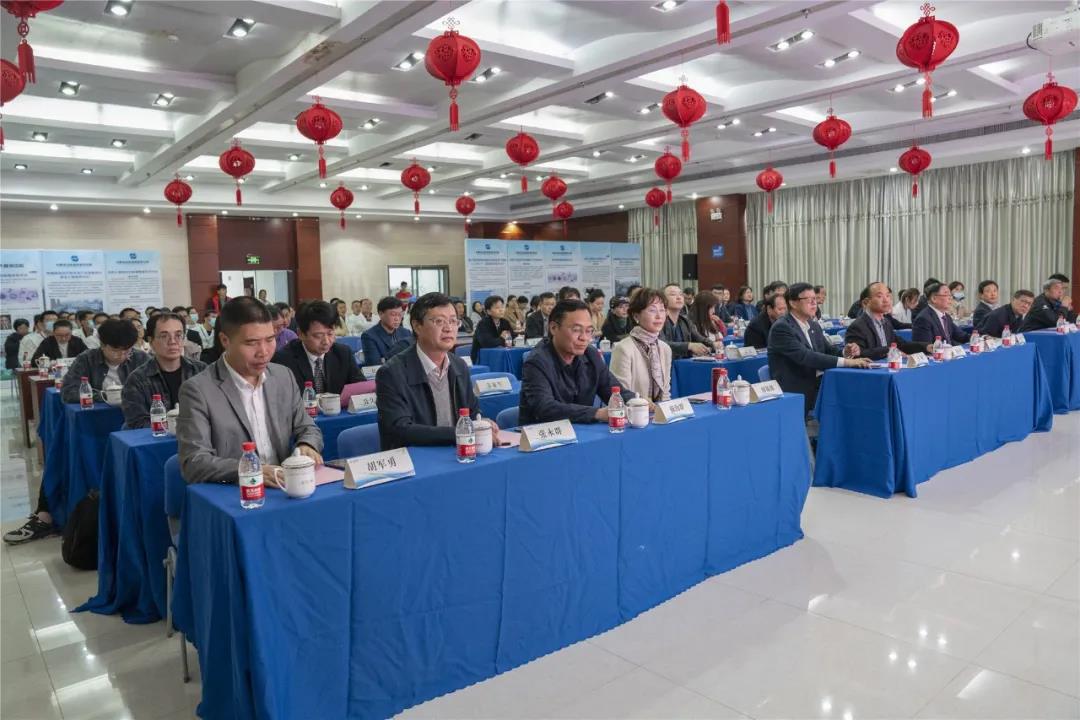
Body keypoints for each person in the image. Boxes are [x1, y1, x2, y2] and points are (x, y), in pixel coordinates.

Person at [177, 298, 323, 485]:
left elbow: (308, 427)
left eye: (270, 339)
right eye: (252, 343)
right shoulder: (198, 390)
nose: (264, 352)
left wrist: (307, 444)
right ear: (225, 340)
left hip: (285, 485)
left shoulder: (282, 376)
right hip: (236, 492)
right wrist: (252, 470)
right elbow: (194, 462)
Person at [376, 293, 497, 450]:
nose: (448, 328)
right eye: (439, 321)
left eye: (453, 321)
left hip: (458, 453)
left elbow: (472, 413)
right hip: (417, 459)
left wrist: (481, 424)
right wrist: (462, 432)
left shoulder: (459, 365)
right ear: (417, 326)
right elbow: (401, 430)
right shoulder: (392, 373)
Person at [519, 299, 634, 425]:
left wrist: (637, 403)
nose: (584, 338)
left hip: (582, 431)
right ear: (553, 328)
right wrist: (597, 413)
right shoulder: (536, 362)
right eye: (576, 330)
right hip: (545, 433)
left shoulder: (591, 355)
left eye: (589, 331)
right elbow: (545, 408)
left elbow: (615, 391)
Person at [767, 283, 870, 416]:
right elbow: (807, 357)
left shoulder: (813, 325)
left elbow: (828, 350)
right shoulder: (782, 328)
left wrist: (846, 352)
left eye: (815, 299)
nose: (814, 303)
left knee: (858, 395)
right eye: (809, 300)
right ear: (793, 303)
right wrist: (848, 362)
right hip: (797, 390)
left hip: (819, 385)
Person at [120, 313, 206, 429]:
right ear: (151, 341)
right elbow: (137, 423)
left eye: (178, 335)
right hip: (157, 439)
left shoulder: (201, 371)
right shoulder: (137, 380)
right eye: (164, 336)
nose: (172, 341)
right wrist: (173, 427)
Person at [272, 300, 362, 395]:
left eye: (330, 334)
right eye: (318, 336)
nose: (326, 341)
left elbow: (361, 388)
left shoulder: (343, 353)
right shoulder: (283, 360)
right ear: (301, 334)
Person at [60, 319, 149, 402]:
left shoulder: (141, 358)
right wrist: (106, 396)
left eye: (127, 350)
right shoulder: (86, 359)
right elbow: (68, 392)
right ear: (102, 345)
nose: (121, 355)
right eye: (115, 350)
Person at [609, 288, 671, 404]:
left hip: (659, 412)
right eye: (652, 310)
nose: (659, 316)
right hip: (634, 412)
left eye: (662, 310)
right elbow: (620, 395)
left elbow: (666, 393)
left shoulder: (665, 348)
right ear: (636, 316)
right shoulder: (623, 348)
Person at [845, 283, 932, 360]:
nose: (886, 300)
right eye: (880, 296)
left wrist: (926, 347)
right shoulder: (857, 327)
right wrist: (888, 350)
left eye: (888, 296)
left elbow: (901, 345)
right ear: (866, 302)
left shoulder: (886, 322)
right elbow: (858, 354)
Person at [659, 283, 710, 359]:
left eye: (681, 294)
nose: (678, 297)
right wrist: (688, 346)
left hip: (684, 363)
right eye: (673, 294)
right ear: (663, 300)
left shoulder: (685, 321)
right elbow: (662, 344)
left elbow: (700, 339)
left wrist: (713, 345)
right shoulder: (658, 321)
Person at [360, 297, 413, 365]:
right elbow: (374, 365)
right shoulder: (369, 336)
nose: (397, 319)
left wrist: (384, 359)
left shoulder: (406, 332)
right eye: (393, 314)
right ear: (381, 314)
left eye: (400, 314)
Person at [471, 295, 515, 363]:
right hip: (483, 358)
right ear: (488, 311)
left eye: (502, 307)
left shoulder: (505, 322)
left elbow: (511, 337)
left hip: (500, 354)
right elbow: (487, 343)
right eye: (497, 308)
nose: (501, 310)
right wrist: (502, 338)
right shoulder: (483, 323)